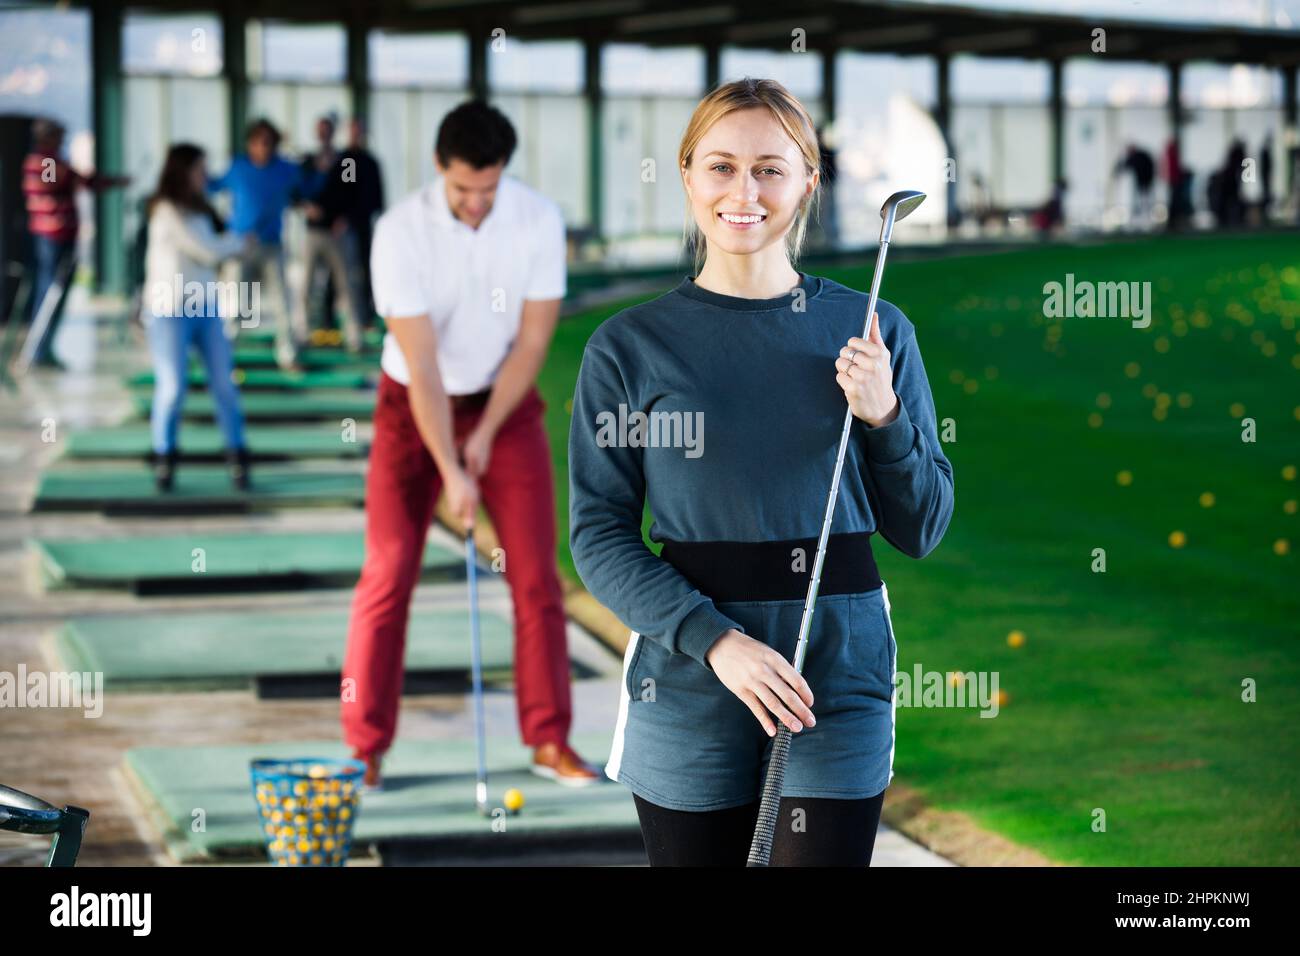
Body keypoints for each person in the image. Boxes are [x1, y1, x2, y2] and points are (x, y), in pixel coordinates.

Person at [568, 77, 955, 866]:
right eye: (721, 167)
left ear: (809, 180)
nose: (744, 191)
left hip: (836, 673)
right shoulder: (628, 346)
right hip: (689, 672)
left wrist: (884, 417)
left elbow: (922, 526)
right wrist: (716, 642)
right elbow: (600, 535)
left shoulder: (874, 329)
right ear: (686, 175)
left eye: (771, 168)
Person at [340, 100, 600, 790]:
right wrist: (452, 468)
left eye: (488, 189)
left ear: (503, 173)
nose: (477, 204)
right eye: (462, 190)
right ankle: (364, 748)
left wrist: (483, 436)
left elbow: (534, 341)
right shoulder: (398, 232)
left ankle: (550, 740)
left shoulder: (537, 219)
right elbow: (421, 365)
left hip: (502, 405)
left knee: (537, 577)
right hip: (410, 408)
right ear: (438, 169)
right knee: (389, 573)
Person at [141, 143, 251, 491]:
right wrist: (238, 243)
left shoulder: (201, 209)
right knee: (173, 388)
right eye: (200, 169)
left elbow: (215, 244)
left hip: (205, 308)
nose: (206, 175)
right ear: (182, 171)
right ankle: (164, 456)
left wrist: (234, 239)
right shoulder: (165, 210)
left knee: (225, 385)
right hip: (170, 310)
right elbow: (206, 250)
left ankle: (237, 455)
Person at [208, 118, 315, 369]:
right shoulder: (238, 168)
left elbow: (308, 181)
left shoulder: (285, 170)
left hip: (272, 246)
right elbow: (211, 187)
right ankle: (224, 356)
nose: (264, 147)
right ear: (250, 144)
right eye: (259, 142)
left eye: (269, 142)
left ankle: (288, 355)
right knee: (236, 305)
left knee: (282, 304)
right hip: (240, 246)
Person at [21, 118, 128, 368]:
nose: (62, 142)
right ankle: (37, 350)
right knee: (50, 291)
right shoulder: (45, 160)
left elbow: (81, 181)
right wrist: (72, 176)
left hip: (62, 236)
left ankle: (43, 348)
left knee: (55, 292)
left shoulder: (55, 162)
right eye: (58, 136)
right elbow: (51, 184)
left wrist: (102, 180)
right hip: (52, 237)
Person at [295, 113, 362, 352]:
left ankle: (354, 336)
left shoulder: (346, 161)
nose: (324, 135)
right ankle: (302, 333)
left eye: (327, 130)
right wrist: (305, 207)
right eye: (320, 130)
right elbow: (296, 192)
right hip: (313, 232)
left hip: (338, 233)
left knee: (347, 285)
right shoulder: (307, 161)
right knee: (306, 285)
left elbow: (352, 192)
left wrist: (344, 218)